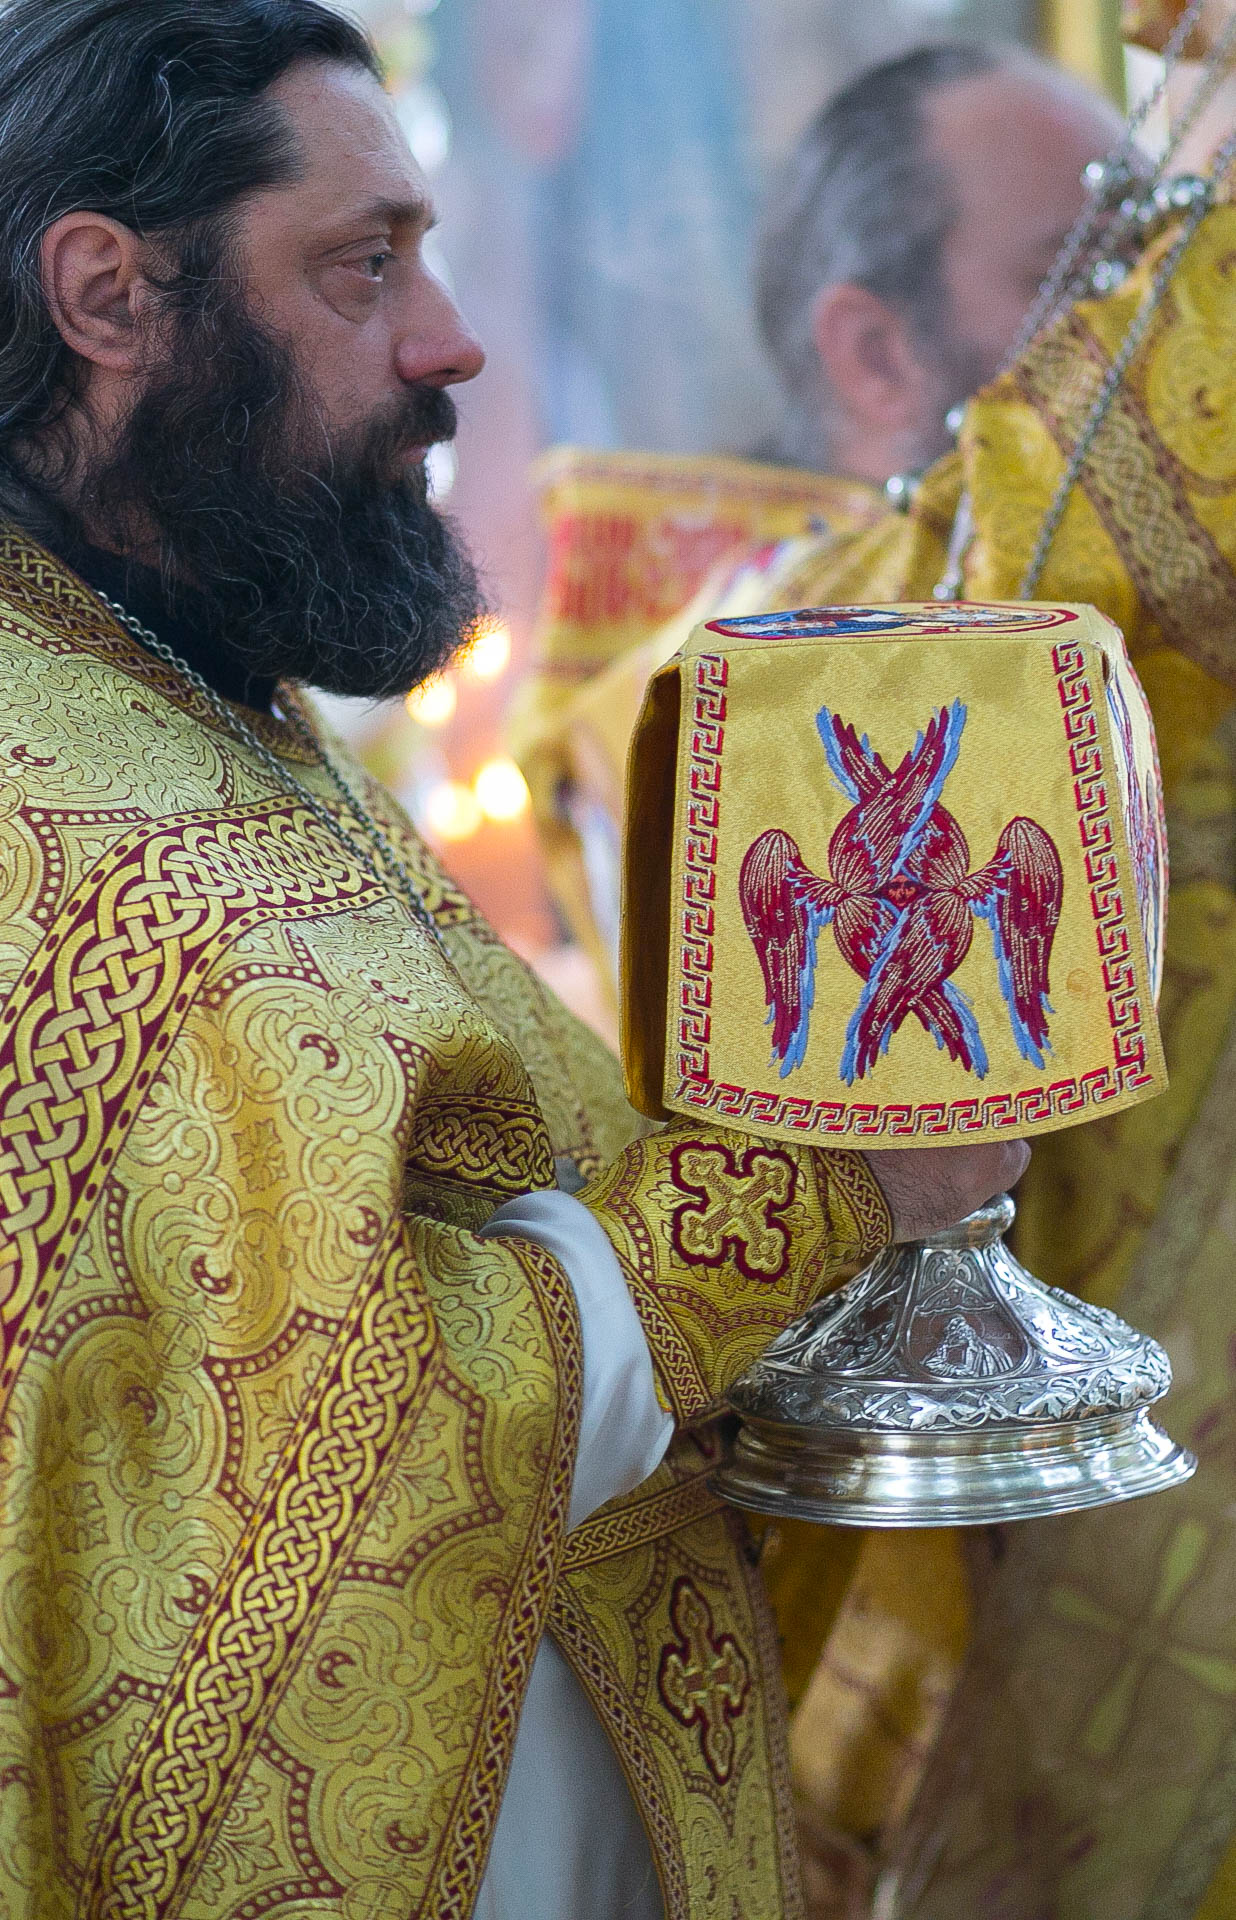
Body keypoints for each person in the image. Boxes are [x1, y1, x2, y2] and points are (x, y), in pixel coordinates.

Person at [0, 5, 1024, 1917]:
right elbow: (321, 1443)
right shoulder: (42, 811)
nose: (450, 338)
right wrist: (815, 1191)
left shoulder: (205, 704)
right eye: (363, 265)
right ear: (109, 297)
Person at [645, 7, 1236, 1911]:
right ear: (874, 350)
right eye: (1083, 261)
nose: (1132, 301)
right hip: (944, 1675)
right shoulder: (726, 667)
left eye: (1155, 245)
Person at [514, 40, 1130, 996]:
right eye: (1086, 278)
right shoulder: (753, 663)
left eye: (1161, 266)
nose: (1153, 328)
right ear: (877, 353)